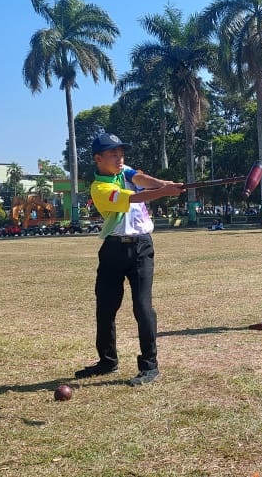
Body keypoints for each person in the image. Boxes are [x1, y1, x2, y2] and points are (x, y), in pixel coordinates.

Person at [74, 133, 184, 387]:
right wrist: (163, 192)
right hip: (113, 249)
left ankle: (149, 366)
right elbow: (133, 197)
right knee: (105, 307)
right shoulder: (99, 188)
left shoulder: (124, 172)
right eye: (113, 154)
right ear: (98, 159)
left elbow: (141, 179)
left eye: (121, 153)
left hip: (142, 247)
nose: (119, 158)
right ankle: (107, 361)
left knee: (143, 307)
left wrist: (164, 184)